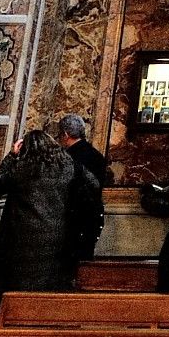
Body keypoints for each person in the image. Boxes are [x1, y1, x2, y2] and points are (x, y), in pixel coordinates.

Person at [0, 126, 82, 321]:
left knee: (16, 290)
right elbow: (91, 186)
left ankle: (13, 324)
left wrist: (11, 156)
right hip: (55, 238)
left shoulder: (24, 168)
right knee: (44, 293)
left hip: (21, 240)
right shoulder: (68, 166)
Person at [59, 113, 107, 265]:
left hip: (70, 221)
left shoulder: (66, 159)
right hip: (91, 219)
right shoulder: (98, 157)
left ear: (65, 135)